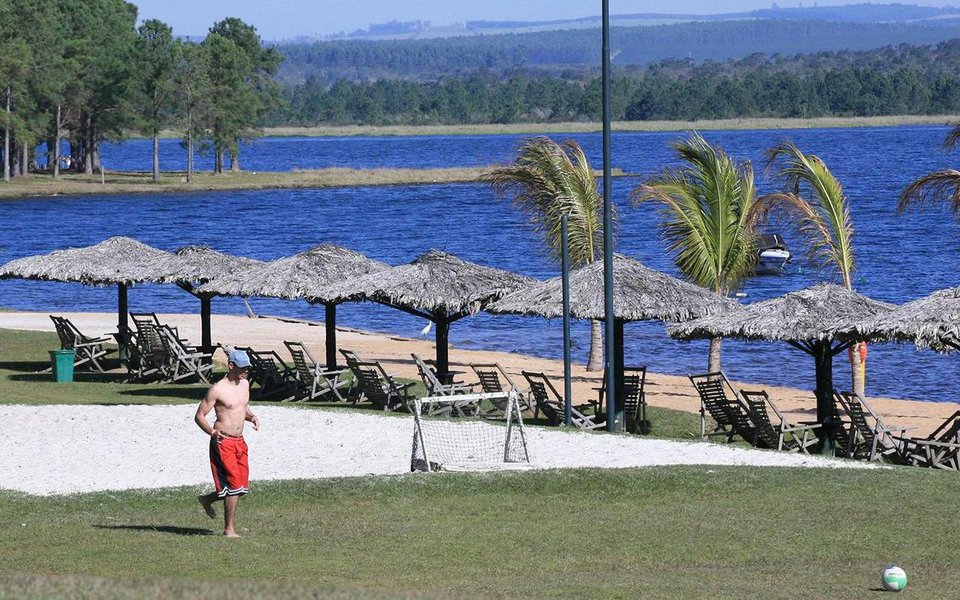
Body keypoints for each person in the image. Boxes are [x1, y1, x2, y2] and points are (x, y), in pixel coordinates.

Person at [195, 349, 259, 537]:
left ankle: (207, 499)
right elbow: (199, 416)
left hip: (240, 441)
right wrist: (212, 432)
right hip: (223, 442)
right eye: (242, 367)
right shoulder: (218, 389)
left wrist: (252, 417)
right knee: (234, 485)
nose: (246, 371)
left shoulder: (245, 384)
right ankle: (229, 529)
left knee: (241, 487)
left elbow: (241, 407)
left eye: (247, 367)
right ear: (231, 366)